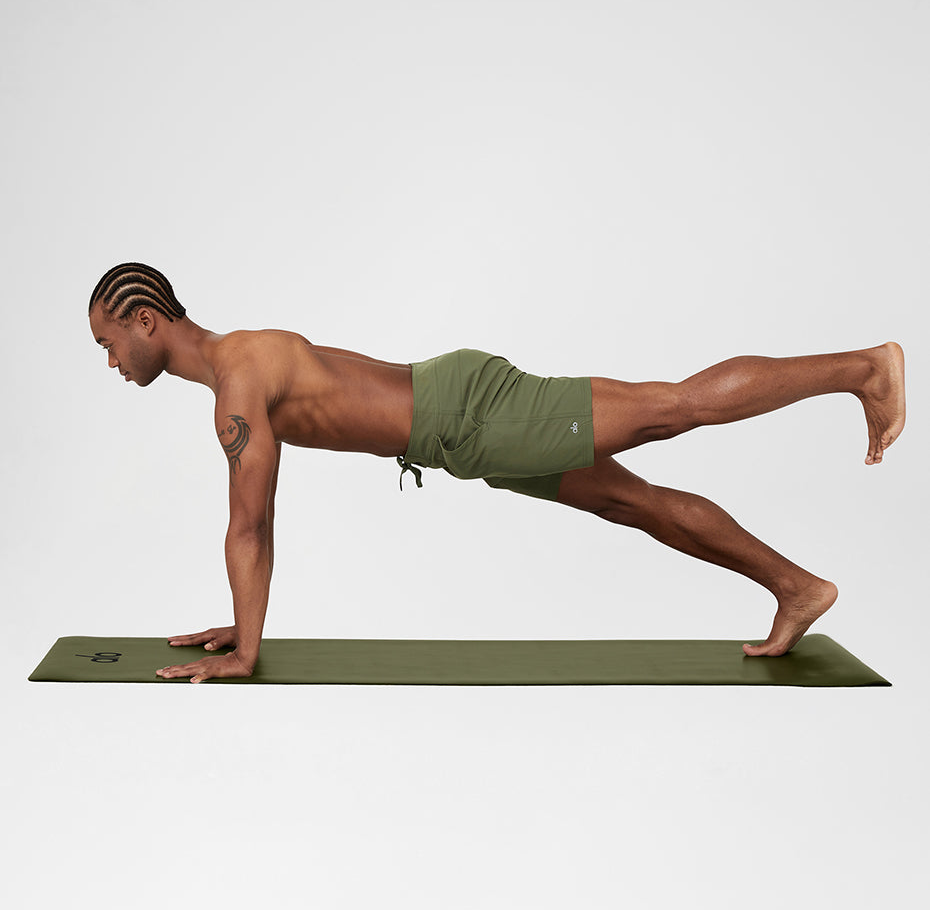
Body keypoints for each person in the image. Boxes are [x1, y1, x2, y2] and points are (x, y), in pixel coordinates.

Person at [87, 262, 906, 684]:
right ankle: (797, 588)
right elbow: (255, 524)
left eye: (109, 343)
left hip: (472, 414)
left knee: (671, 406)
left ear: (145, 321)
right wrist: (244, 627)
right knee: (634, 503)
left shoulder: (238, 384)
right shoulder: (241, 356)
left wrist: (245, 649)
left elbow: (251, 524)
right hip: (464, 433)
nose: (111, 361)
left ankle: (864, 368)